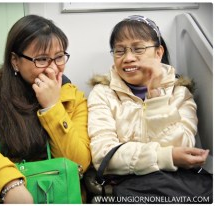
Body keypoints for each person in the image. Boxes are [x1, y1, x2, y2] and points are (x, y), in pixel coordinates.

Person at [0, 15, 91, 203]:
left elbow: (79, 163)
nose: (53, 69)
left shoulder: (73, 98)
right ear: (15, 61)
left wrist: (52, 107)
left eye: (59, 57)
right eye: (42, 59)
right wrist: (8, 183)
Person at [88, 15, 205, 179]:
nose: (128, 58)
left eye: (138, 49)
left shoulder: (180, 93)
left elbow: (184, 150)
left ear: (158, 52)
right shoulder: (103, 93)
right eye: (119, 51)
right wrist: (167, 157)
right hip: (124, 189)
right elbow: (104, 156)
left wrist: (156, 98)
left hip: (177, 187)